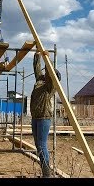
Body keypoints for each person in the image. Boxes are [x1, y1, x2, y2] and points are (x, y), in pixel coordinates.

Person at [30, 50, 61, 178]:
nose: (45, 75)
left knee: (42, 145)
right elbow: (37, 69)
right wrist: (37, 56)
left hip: (44, 118)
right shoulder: (39, 81)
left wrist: (48, 60)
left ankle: (46, 172)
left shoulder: (50, 86)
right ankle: (44, 171)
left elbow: (50, 73)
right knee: (38, 145)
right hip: (35, 118)